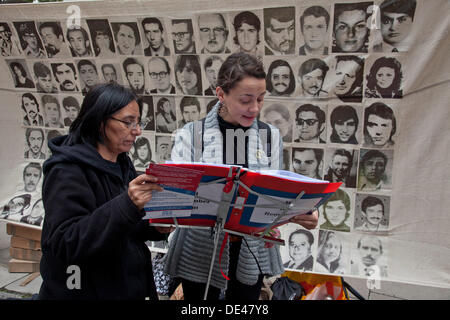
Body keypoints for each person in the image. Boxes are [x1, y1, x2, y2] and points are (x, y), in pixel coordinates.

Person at [164, 52, 318, 300]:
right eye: (246, 100)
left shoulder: (270, 137)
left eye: (260, 98)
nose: (255, 108)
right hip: (199, 249)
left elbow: (274, 193)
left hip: (252, 247)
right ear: (221, 94)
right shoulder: (190, 135)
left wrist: (299, 211)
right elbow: (175, 197)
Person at [38, 83, 173, 300]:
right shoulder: (66, 170)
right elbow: (66, 242)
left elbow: (124, 226)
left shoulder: (121, 162)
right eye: (128, 122)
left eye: (139, 122)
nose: (137, 131)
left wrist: (154, 226)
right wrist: (128, 205)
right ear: (100, 122)